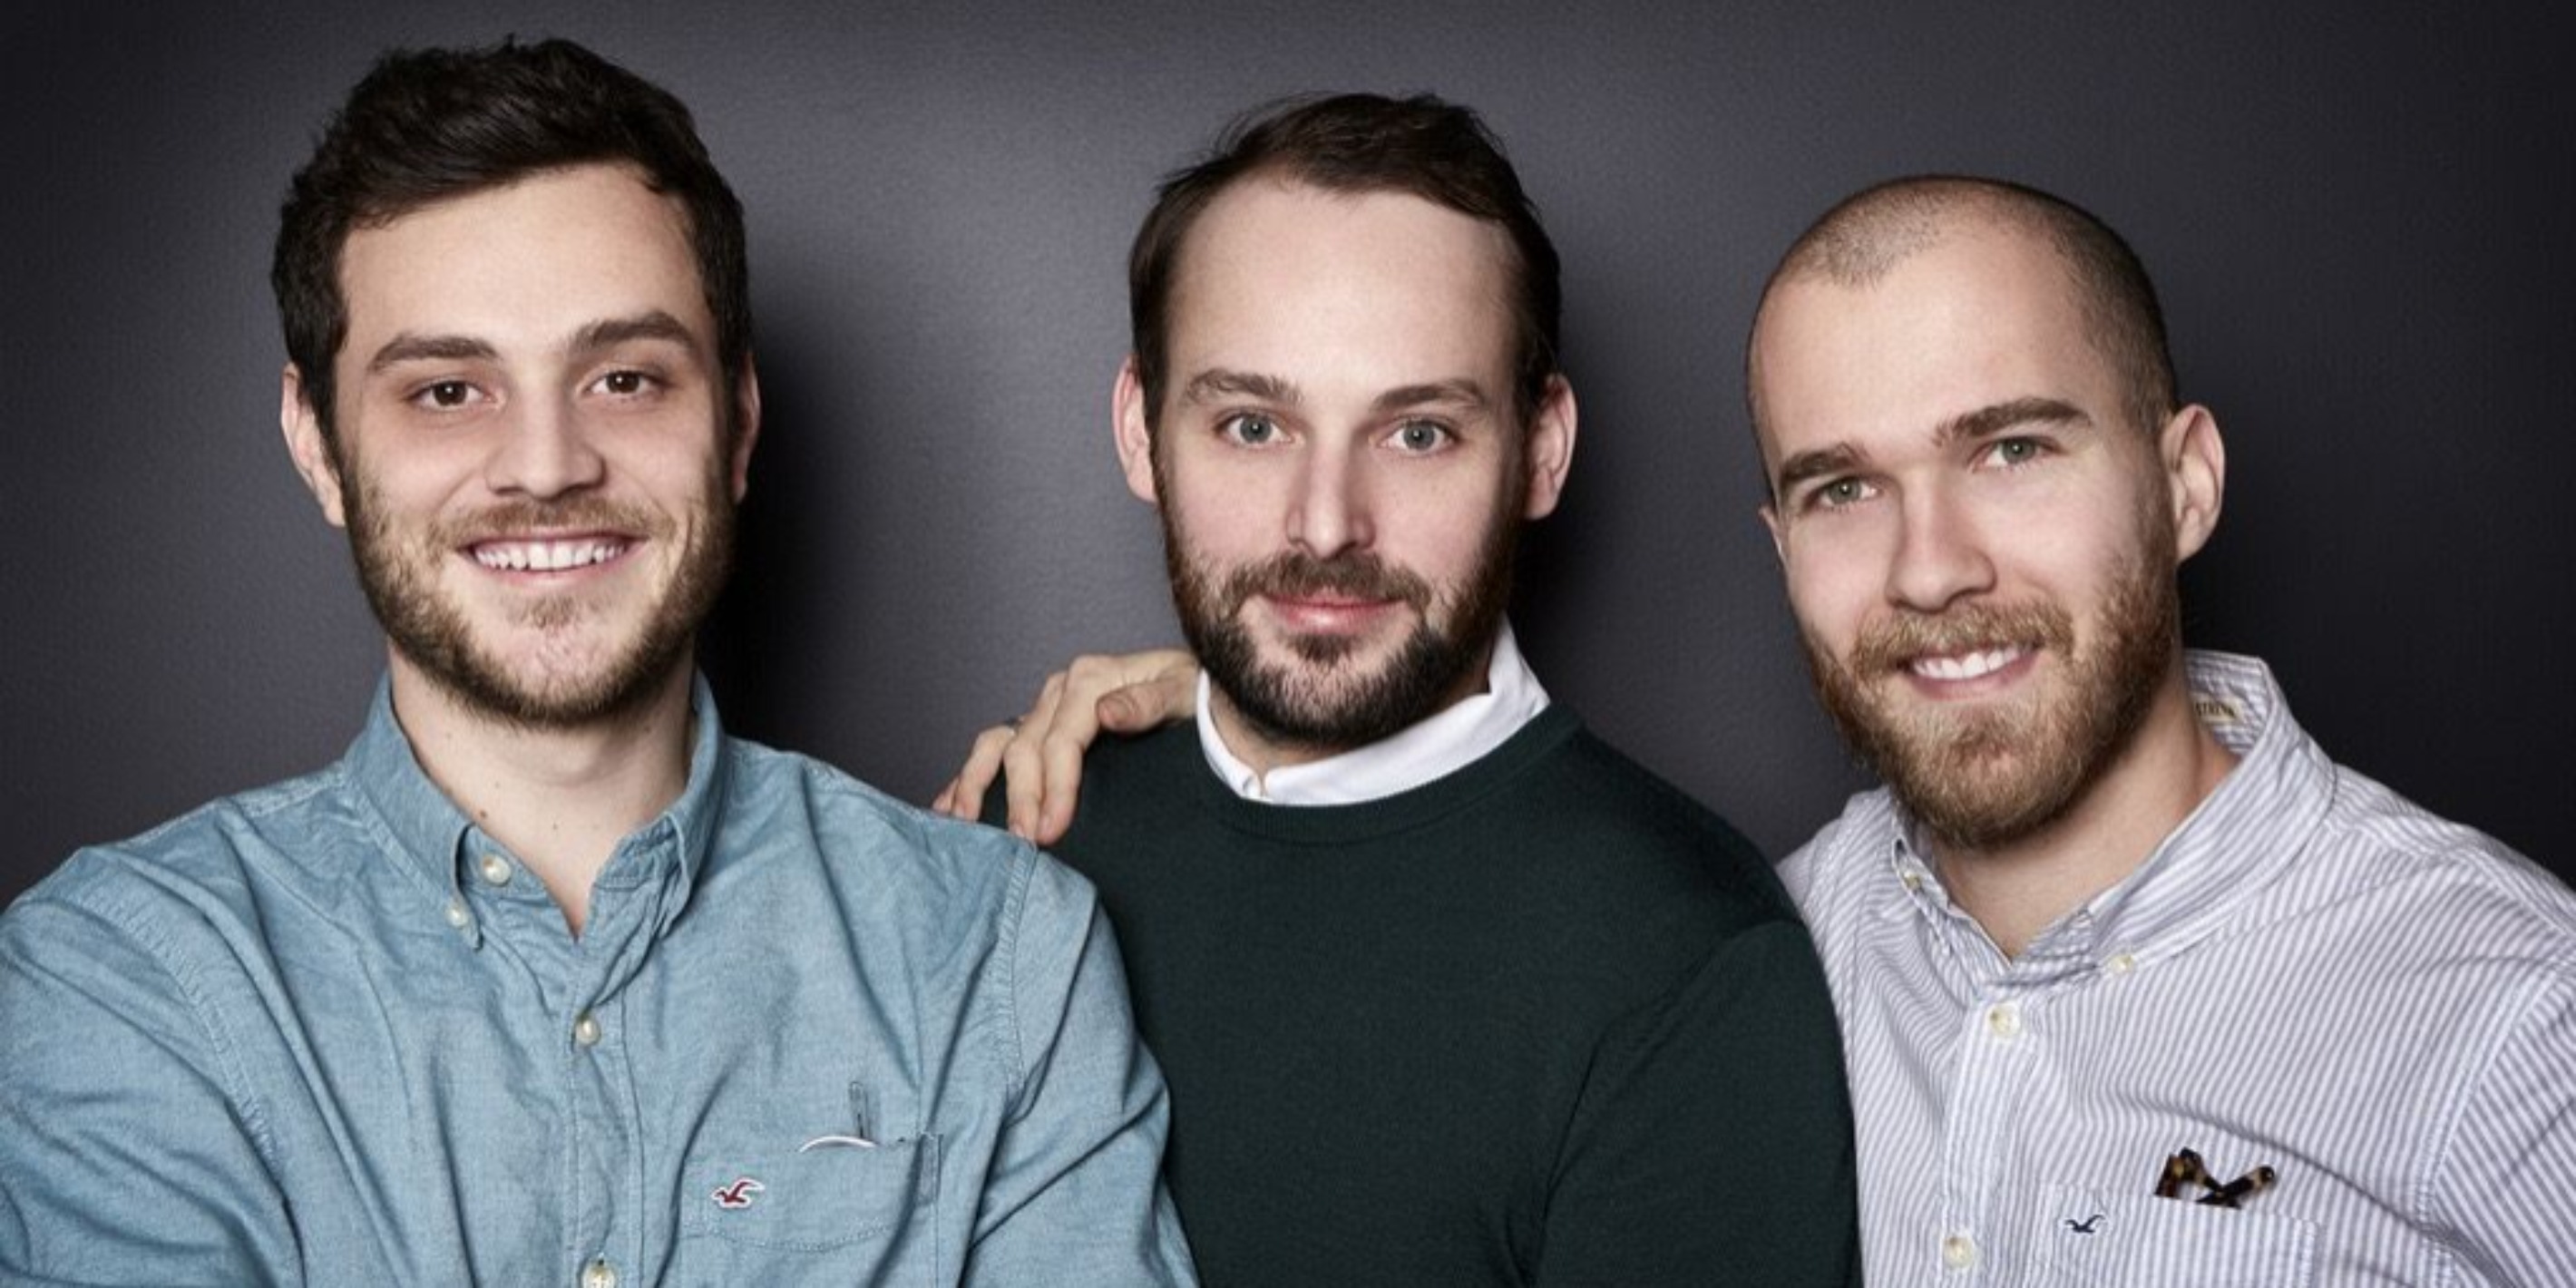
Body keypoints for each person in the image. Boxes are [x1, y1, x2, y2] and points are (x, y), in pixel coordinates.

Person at [949, 174, 2576, 1285]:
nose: (1932, 568)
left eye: (2013, 450)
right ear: (1781, 540)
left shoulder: (2511, 1022)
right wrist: (1263, 683)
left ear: (2186, 482)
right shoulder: (1774, 945)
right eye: (1845, 486)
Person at [0, 39, 1193, 1287]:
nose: (547, 466)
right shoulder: (129, 976)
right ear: (317, 444)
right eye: (448, 391)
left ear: (737, 423)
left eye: (624, 378)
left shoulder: (996, 954)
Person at [938, 93, 1859, 1288]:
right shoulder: (1015, 834)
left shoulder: (1685, 957)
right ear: (1138, 428)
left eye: (1418, 433)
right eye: (1253, 425)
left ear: (1541, 450)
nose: (1327, 526)